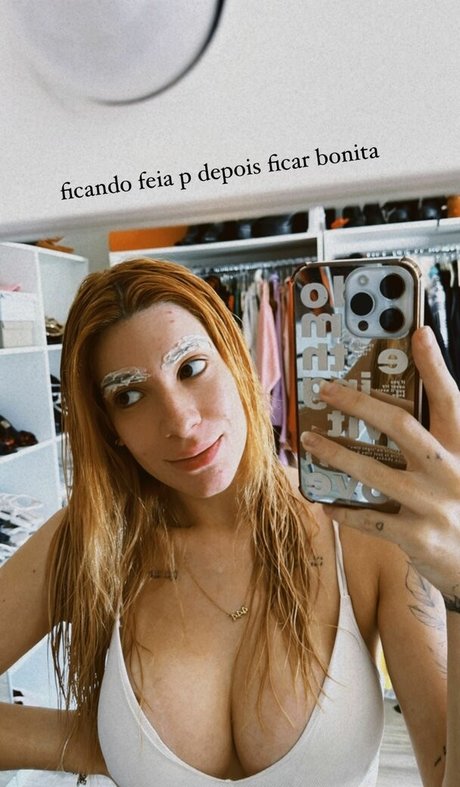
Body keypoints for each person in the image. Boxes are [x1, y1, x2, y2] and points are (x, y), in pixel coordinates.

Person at [0, 257, 459, 786]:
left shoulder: (363, 531)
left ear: (237, 359)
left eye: (191, 368)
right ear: (110, 429)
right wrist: (100, 743)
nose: (181, 422)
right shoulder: (90, 542)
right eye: (129, 395)